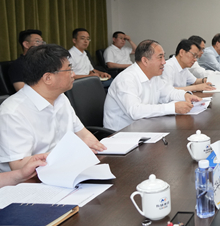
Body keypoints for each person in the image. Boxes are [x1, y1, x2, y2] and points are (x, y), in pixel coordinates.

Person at [0, 44, 106, 173]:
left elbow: (84, 134)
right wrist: (69, 155)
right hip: (35, 178)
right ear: (48, 78)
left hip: (66, 168)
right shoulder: (12, 113)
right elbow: (19, 166)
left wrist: (100, 149)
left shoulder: (61, 98)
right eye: (69, 69)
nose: (73, 74)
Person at [103, 40, 201, 131]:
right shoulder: (126, 79)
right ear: (145, 61)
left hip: (145, 128)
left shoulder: (154, 77)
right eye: (160, 57)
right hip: (122, 134)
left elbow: (169, 92)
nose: (164, 62)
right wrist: (172, 107)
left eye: (164, 57)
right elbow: (135, 111)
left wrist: (185, 95)